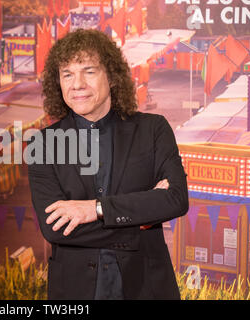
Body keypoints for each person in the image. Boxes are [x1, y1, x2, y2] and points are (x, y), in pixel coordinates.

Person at [27, 29, 189, 300]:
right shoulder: (42, 144)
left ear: (112, 76)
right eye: (67, 74)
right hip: (74, 292)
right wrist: (139, 219)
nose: (77, 84)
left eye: (89, 71)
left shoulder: (153, 130)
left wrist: (97, 209)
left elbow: (175, 199)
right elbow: (54, 227)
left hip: (147, 287)